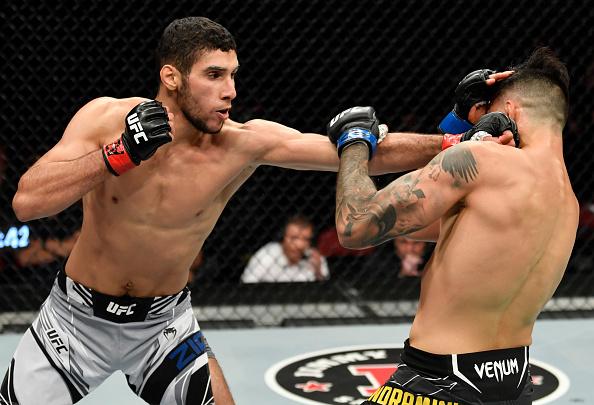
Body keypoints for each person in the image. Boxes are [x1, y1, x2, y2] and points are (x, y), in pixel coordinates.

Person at [4, 16, 511, 405]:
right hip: (72, 323)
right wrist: (115, 155)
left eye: (234, 75)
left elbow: (362, 151)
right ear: (171, 77)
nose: (231, 91)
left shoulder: (242, 143)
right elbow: (28, 201)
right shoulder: (104, 118)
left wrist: (458, 134)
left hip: (162, 327)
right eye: (215, 75)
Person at [330, 47, 577, 404]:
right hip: (515, 384)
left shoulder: (484, 162)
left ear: (510, 113)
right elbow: (425, 214)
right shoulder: (565, 201)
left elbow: (354, 226)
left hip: (438, 381)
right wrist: (462, 119)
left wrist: (353, 142)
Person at [241, 215, 329, 283]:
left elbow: (328, 293)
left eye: (306, 239)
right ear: (283, 238)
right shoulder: (268, 254)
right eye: (294, 238)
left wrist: (318, 272)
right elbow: (246, 283)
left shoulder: (316, 258)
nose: (300, 245)